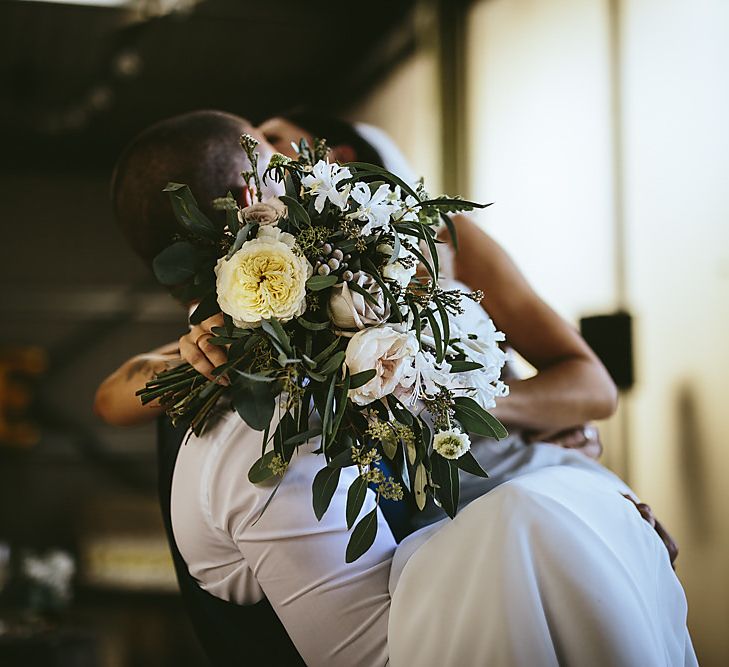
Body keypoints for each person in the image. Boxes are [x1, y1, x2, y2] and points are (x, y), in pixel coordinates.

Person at [99, 110, 694, 665]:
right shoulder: (268, 318)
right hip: (448, 532)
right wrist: (206, 353)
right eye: (264, 150)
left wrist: (460, 402)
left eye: (281, 142)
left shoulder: (433, 238)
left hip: (513, 474)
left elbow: (592, 386)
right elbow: (113, 396)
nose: (280, 164)